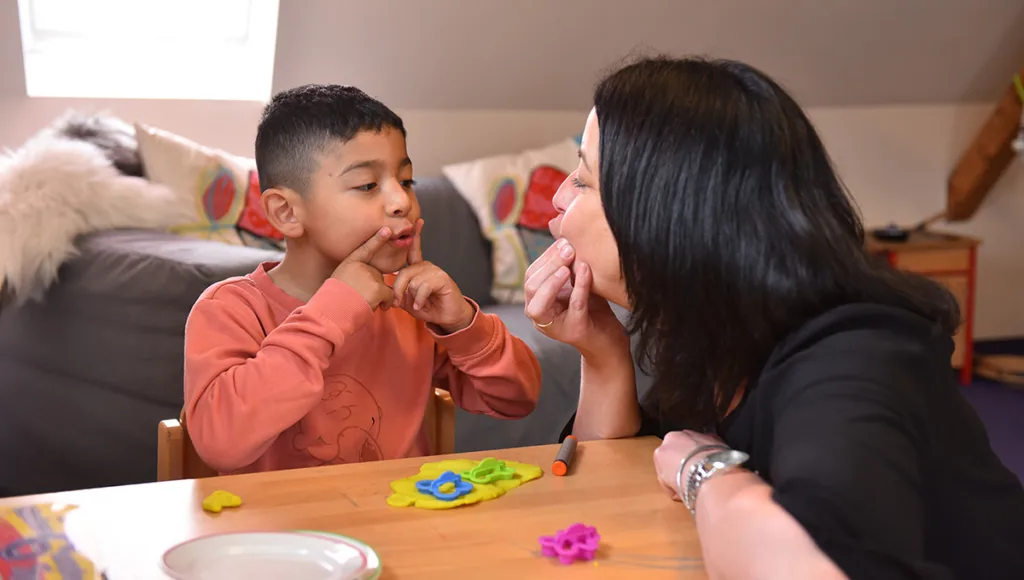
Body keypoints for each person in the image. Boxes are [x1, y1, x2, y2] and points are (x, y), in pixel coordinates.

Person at [524, 56, 1024, 579]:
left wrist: (705, 472)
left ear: (669, 219)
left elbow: (815, 566)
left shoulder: (855, 354)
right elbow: (614, 494)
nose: (558, 200)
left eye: (583, 180)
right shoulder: (710, 333)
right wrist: (602, 354)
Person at [184, 84, 541, 474]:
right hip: (277, 534)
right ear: (286, 212)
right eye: (368, 185)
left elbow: (517, 399)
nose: (401, 201)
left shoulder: (406, 308)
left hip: (397, 525)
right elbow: (221, 444)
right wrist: (331, 314)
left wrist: (463, 325)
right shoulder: (229, 311)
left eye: (406, 181)